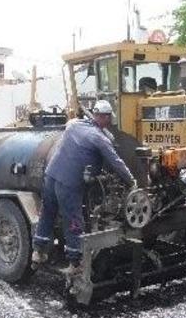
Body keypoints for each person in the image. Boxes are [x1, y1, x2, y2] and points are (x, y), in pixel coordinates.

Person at [32, 100, 137, 275]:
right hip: (69, 182)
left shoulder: (74, 125)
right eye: (109, 118)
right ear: (104, 117)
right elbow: (116, 162)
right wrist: (132, 181)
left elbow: (74, 126)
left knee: (47, 212)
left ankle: (38, 252)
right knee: (73, 219)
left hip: (51, 174)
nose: (110, 121)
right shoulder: (99, 138)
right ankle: (75, 263)